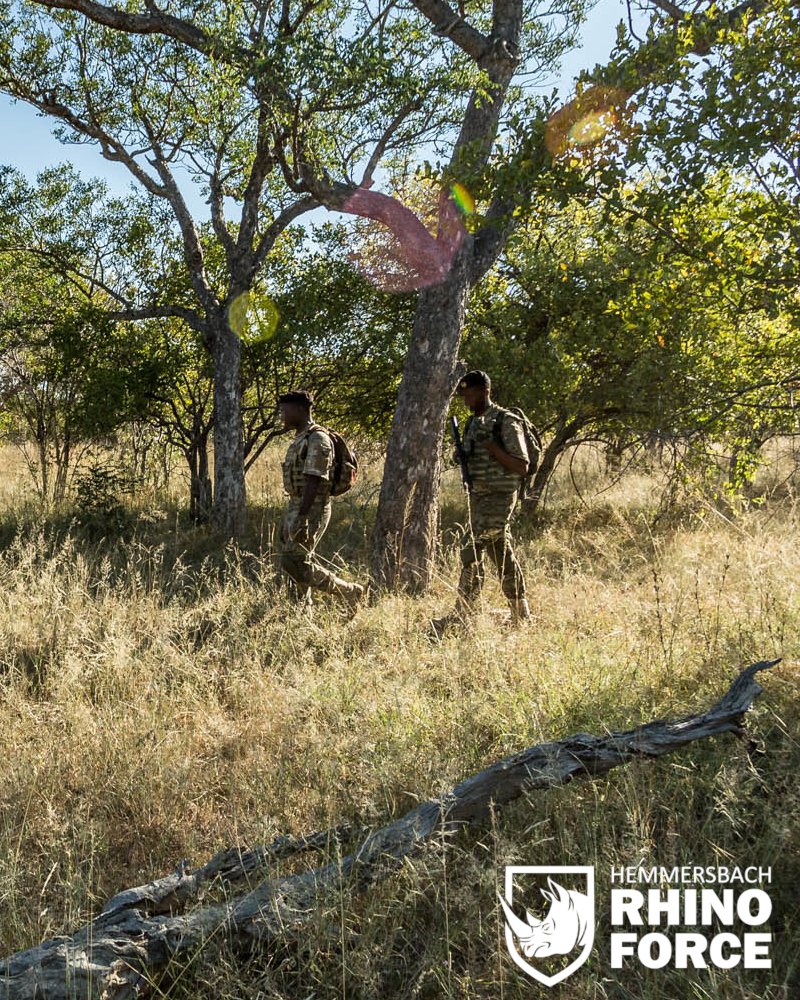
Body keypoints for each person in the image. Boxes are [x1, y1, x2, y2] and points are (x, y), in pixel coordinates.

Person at [431, 370, 532, 638]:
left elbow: (522, 465)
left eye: (469, 394)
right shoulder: (471, 424)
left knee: (470, 547)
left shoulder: (505, 421)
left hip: (499, 498)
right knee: (501, 553)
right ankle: (521, 613)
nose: (465, 400)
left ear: (484, 391)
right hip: (479, 499)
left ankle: (462, 614)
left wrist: (493, 449)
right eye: (463, 395)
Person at [277, 390, 365, 610]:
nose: (281, 416)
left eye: (284, 411)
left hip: (313, 506)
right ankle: (300, 610)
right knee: (297, 561)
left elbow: (314, 480)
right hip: (297, 503)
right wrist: (290, 517)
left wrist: (302, 517)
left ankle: (348, 591)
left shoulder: (318, 438)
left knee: (294, 562)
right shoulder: (301, 438)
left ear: (299, 410)